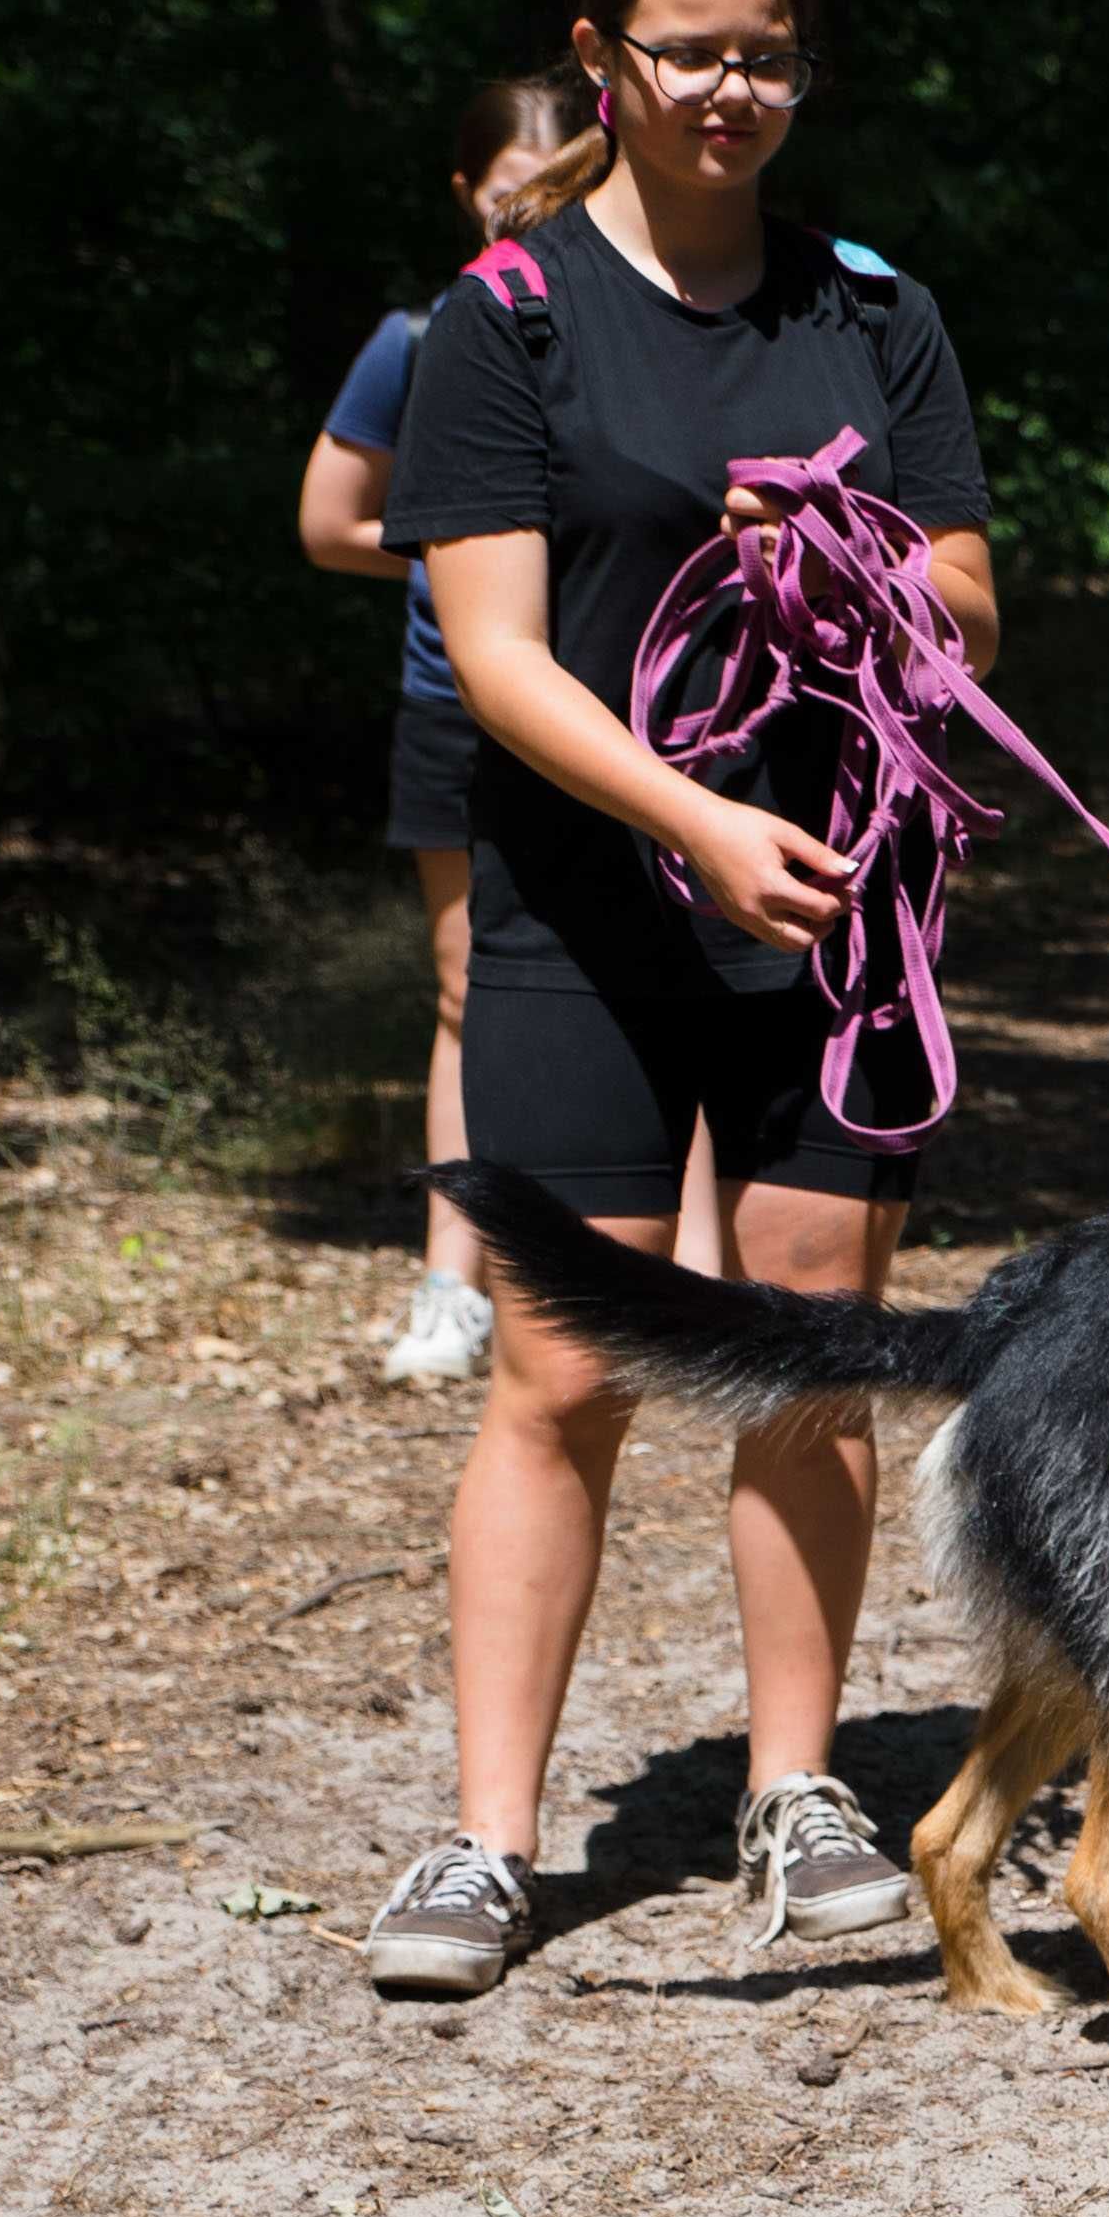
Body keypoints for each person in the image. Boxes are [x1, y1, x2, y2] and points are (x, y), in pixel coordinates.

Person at [355, 0, 997, 2000]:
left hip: (834, 905)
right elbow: (499, 653)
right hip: (588, 904)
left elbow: (976, 609)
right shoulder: (507, 318)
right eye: (693, 48)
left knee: (810, 1347)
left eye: (768, 52)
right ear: (606, 61)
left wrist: (865, 554)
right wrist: (696, 815)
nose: (734, 88)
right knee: (562, 1364)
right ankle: (487, 1838)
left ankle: (800, 1786)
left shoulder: (871, 311)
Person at [302, 82, 730, 1388]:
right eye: (507, 196)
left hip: (652, 704)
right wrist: (484, 544)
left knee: (700, 971)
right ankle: (456, 1275)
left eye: (559, 183)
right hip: (456, 709)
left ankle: (698, 1286)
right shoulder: (426, 334)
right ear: (467, 197)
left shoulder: (642, 338)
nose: (533, 215)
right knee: (468, 993)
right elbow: (331, 521)